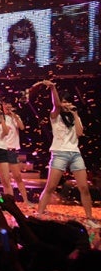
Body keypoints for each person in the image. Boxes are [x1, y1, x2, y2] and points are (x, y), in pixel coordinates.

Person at [36, 80, 97, 224]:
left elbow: (79, 133)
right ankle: (38, 215)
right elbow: (56, 105)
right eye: (63, 102)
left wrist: (75, 115)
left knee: (84, 187)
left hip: (75, 154)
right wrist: (53, 88)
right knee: (51, 187)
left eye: (68, 102)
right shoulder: (55, 116)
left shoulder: (75, 117)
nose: (65, 104)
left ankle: (89, 218)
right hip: (59, 154)